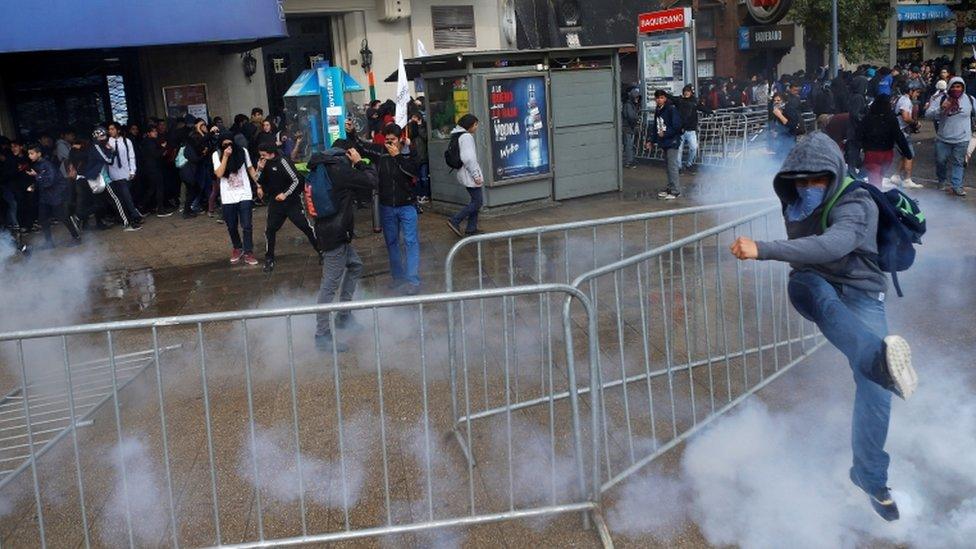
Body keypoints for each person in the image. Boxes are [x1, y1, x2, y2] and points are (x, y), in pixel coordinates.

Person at [730, 131, 918, 522]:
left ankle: (869, 477)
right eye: (801, 180)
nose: (808, 187)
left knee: (877, 391)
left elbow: (834, 245)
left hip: (862, 292)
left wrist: (763, 249)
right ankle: (876, 359)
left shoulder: (858, 200)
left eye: (817, 179)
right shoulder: (795, 202)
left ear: (832, 174)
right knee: (824, 302)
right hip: (813, 284)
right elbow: (812, 256)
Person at [310, 141, 377, 353]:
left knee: (355, 265)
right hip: (335, 235)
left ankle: (344, 316)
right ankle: (322, 335)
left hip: (330, 230)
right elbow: (372, 181)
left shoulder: (324, 166)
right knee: (329, 285)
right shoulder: (340, 169)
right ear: (349, 152)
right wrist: (359, 163)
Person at [365, 123, 421, 294]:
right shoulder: (381, 152)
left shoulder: (409, 152)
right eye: (387, 140)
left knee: (410, 242)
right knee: (392, 243)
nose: (389, 144)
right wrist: (351, 132)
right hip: (387, 205)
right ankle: (398, 277)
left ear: (400, 140)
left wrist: (398, 156)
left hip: (407, 205)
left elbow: (413, 171)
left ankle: (413, 279)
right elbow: (362, 147)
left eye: (393, 140)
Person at [255, 141, 321, 272]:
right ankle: (269, 258)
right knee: (270, 230)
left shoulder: (283, 161)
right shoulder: (264, 163)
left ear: (270, 152)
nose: (262, 157)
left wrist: (285, 194)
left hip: (291, 202)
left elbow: (296, 180)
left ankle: (321, 251)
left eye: (263, 155)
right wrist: (260, 168)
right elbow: (258, 179)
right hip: (275, 203)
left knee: (306, 227)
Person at [213, 133, 262, 265]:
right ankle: (237, 247)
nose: (228, 147)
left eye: (230, 144)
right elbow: (219, 173)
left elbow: (250, 169)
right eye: (225, 145)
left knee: (247, 225)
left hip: (244, 194)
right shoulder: (216, 154)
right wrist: (225, 156)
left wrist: (258, 184)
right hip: (228, 197)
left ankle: (248, 251)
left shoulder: (242, 151)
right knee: (231, 226)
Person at [925, 76, 974, 196]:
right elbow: (927, 115)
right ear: (949, 87)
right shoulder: (941, 99)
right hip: (943, 138)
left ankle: (957, 186)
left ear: (963, 88)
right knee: (941, 161)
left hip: (962, 138)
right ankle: (941, 181)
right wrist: (941, 108)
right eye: (953, 86)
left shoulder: (969, 99)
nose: (956, 89)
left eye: (959, 87)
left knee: (958, 162)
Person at [27, 142, 80, 248]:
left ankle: (76, 237)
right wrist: (34, 185)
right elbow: (42, 181)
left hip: (55, 195)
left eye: (32, 153)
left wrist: (37, 176)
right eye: (29, 154)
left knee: (63, 217)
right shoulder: (37, 165)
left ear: (39, 154)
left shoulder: (47, 165)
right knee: (43, 219)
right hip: (45, 197)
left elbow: (49, 181)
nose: (30, 156)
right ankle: (49, 242)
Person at [858, 94, 913, 189]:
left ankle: (875, 198)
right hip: (887, 154)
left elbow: (859, 134)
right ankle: (878, 197)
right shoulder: (891, 118)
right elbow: (898, 136)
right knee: (879, 177)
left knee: (874, 181)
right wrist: (907, 153)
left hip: (872, 154)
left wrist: (860, 147)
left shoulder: (868, 118)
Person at [95, 122, 142, 230]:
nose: (110, 131)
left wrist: (132, 170)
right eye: (109, 129)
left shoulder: (126, 141)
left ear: (118, 130)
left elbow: (131, 156)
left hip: (125, 173)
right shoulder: (107, 142)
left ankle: (132, 215)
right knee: (122, 197)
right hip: (113, 174)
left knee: (127, 196)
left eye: (112, 129)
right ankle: (132, 216)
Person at [446, 114, 485, 237]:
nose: (476, 127)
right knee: (477, 202)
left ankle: (471, 228)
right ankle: (455, 220)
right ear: (470, 125)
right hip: (469, 173)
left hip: (464, 172)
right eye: (475, 125)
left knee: (475, 200)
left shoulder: (458, 135)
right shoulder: (467, 137)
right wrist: (476, 175)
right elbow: (469, 158)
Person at [647, 90, 682, 200]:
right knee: (668, 166)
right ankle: (670, 188)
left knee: (672, 166)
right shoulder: (658, 110)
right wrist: (651, 141)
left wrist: (665, 133)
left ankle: (675, 190)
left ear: (665, 98)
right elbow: (655, 127)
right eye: (657, 98)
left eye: (661, 98)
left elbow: (677, 126)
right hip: (665, 142)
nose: (659, 100)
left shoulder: (671, 109)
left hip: (672, 141)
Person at [889, 86, 923, 189]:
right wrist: (915, 123)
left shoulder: (900, 98)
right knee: (909, 154)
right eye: (916, 92)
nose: (917, 95)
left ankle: (896, 176)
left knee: (904, 154)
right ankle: (907, 179)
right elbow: (905, 117)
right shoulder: (906, 101)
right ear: (910, 91)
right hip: (902, 132)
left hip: (898, 130)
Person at [140, 125, 174, 217]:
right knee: (158, 188)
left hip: (152, 168)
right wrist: (163, 148)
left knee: (153, 188)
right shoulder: (149, 142)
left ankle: (143, 207)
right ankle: (160, 209)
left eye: (155, 131)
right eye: (153, 131)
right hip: (153, 168)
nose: (155, 132)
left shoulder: (149, 142)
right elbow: (155, 155)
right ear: (148, 133)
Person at [178, 119, 208, 218]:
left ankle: (188, 210)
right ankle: (187, 211)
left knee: (193, 190)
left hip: (187, 172)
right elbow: (194, 159)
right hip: (188, 172)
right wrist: (203, 155)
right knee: (193, 190)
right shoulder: (189, 147)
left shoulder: (186, 145)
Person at [676, 84, 710, 172]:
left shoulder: (694, 102)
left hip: (690, 129)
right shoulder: (680, 101)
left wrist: (710, 111)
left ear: (691, 92)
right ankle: (679, 167)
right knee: (679, 149)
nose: (686, 93)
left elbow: (701, 107)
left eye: (688, 91)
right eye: (685, 91)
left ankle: (688, 163)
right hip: (680, 129)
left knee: (693, 148)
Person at [407, 109, 431, 202]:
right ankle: (420, 195)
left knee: (424, 178)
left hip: (423, 157)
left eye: (416, 118)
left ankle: (426, 195)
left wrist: (420, 125)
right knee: (417, 179)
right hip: (415, 157)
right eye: (413, 118)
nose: (414, 120)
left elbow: (425, 137)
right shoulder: (410, 129)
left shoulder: (423, 127)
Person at [621, 87, 641, 169]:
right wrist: (636, 121)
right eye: (636, 97)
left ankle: (630, 160)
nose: (637, 99)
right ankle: (628, 162)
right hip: (628, 127)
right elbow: (631, 117)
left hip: (628, 127)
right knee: (629, 145)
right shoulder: (629, 105)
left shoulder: (629, 104)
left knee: (629, 145)